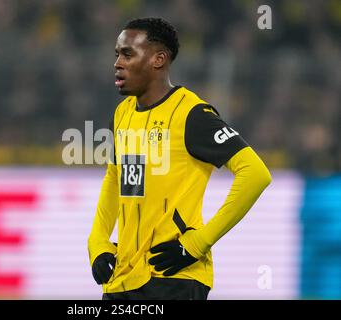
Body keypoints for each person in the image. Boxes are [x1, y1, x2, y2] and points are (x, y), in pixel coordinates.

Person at [88, 17, 272, 300]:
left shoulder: (191, 114)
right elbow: (117, 178)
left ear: (158, 59)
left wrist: (197, 243)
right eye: (117, 54)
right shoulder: (123, 113)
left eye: (127, 54)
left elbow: (256, 174)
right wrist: (98, 242)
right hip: (123, 278)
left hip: (173, 276)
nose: (117, 63)